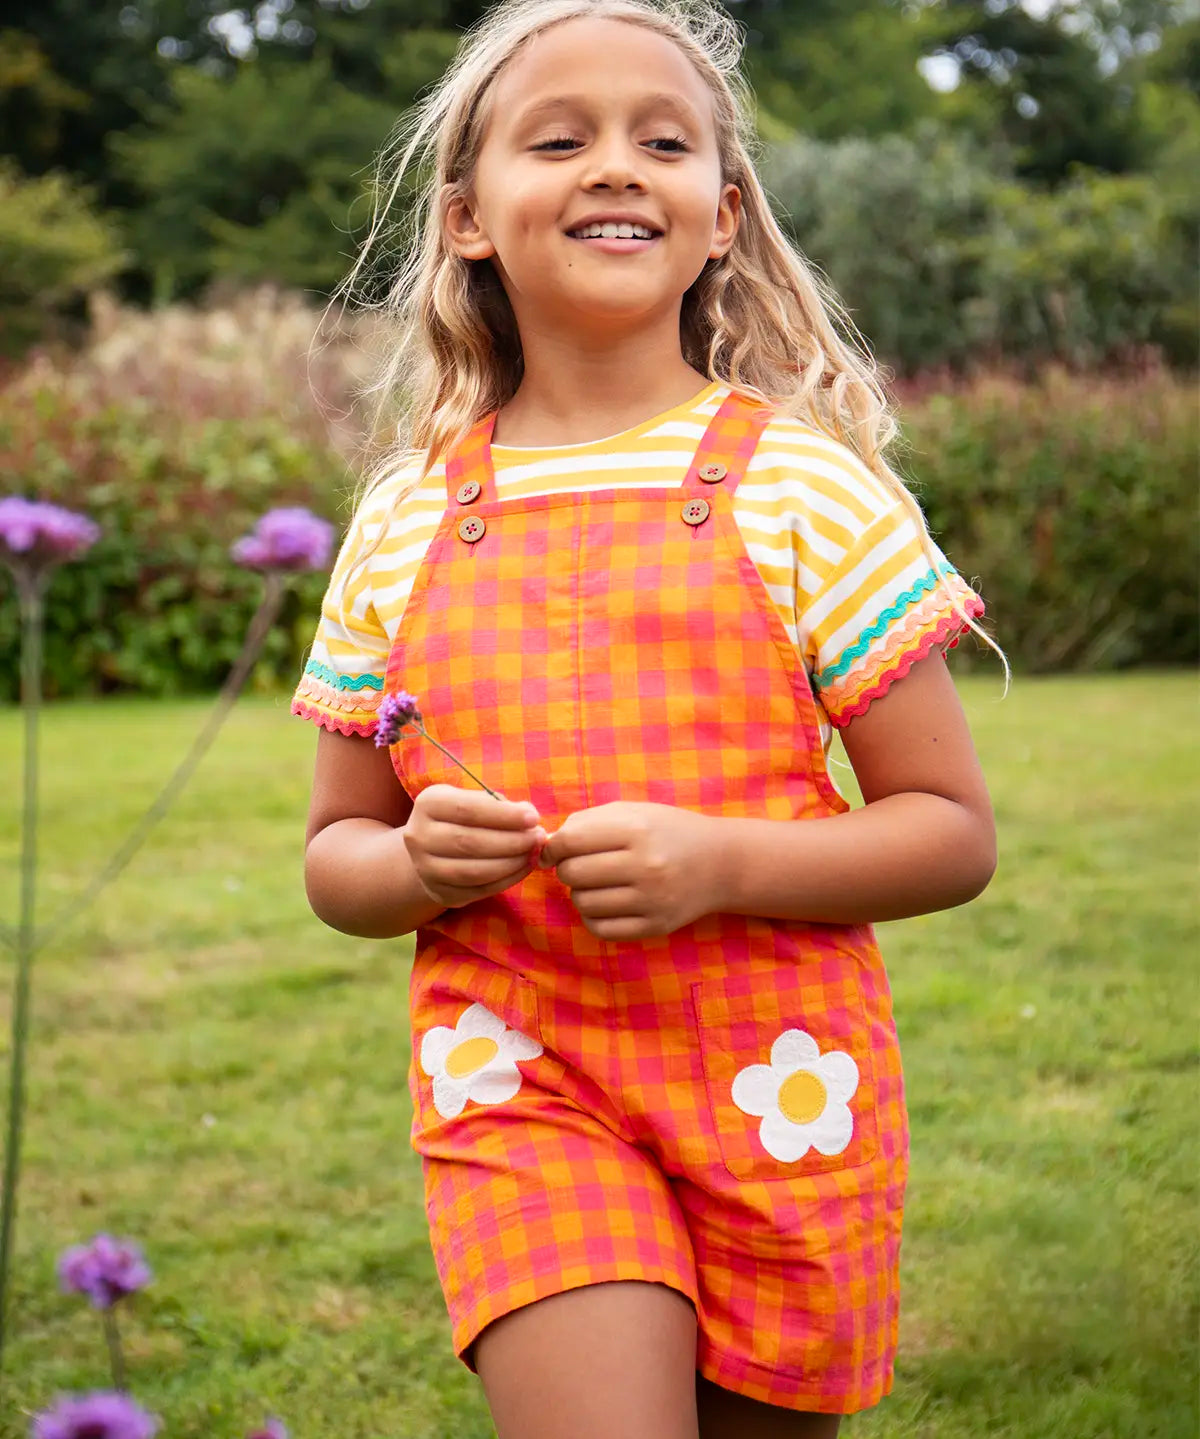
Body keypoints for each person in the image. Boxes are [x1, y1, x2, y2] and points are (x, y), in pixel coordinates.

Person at [292, 1, 998, 1434]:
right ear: (470, 218)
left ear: (721, 215)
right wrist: (419, 867)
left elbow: (949, 835)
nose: (617, 165)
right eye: (562, 138)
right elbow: (334, 860)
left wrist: (722, 865)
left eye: (660, 141)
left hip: (780, 1093)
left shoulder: (806, 488)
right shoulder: (404, 519)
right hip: (518, 1083)